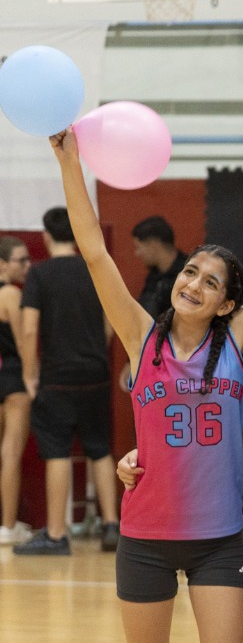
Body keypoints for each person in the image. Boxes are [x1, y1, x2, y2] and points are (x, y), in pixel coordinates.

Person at [13, 205, 121, 556]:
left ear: (46, 236)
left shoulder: (40, 276)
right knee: (99, 448)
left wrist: (30, 374)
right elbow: (111, 321)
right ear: (75, 236)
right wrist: (96, 353)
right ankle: (111, 526)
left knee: (57, 451)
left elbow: (29, 329)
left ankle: (57, 535)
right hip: (95, 374)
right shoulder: (94, 269)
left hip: (56, 378)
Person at [0, 236, 33, 544]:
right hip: (12, 379)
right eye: (20, 261)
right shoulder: (11, 293)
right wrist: (32, 378)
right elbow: (24, 343)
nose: (27, 266)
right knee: (10, 453)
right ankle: (8, 526)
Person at [131, 216, 185, 321]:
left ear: (153, 245)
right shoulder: (153, 277)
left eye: (138, 247)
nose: (137, 253)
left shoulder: (187, 275)